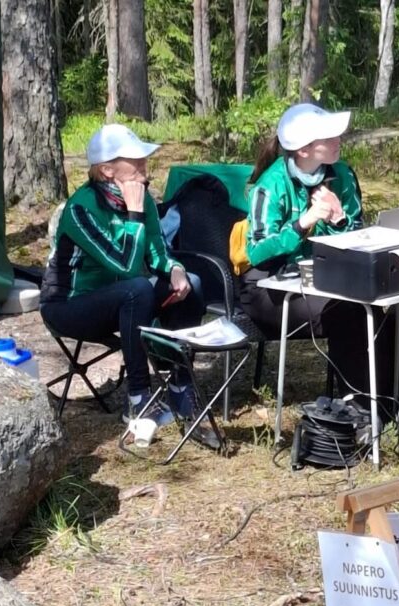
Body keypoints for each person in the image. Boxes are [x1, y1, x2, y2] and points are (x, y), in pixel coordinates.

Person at [40, 124, 219, 450]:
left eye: (144, 159)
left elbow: (157, 253)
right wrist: (134, 213)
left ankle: (181, 386)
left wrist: (175, 270)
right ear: (107, 170)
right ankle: (138, 399)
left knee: (191, 284)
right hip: (68, 306)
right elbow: (123, 265)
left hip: (123, 302)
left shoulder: (142, 199)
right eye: (135, 161)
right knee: (137, 288)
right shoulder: (80, 208)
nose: (144, 166)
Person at [237, 103, 380, 397]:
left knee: (373, 306)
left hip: (323, 278)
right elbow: (257, 252)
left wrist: (340, 219)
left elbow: (357, 238)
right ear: (303, 150)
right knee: (346, 311)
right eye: (329, 138)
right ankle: (358, 403)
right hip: (268, 288)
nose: (339, 140)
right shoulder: (270, 185)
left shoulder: (343, 175)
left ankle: (382, 396)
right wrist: (303, 223)